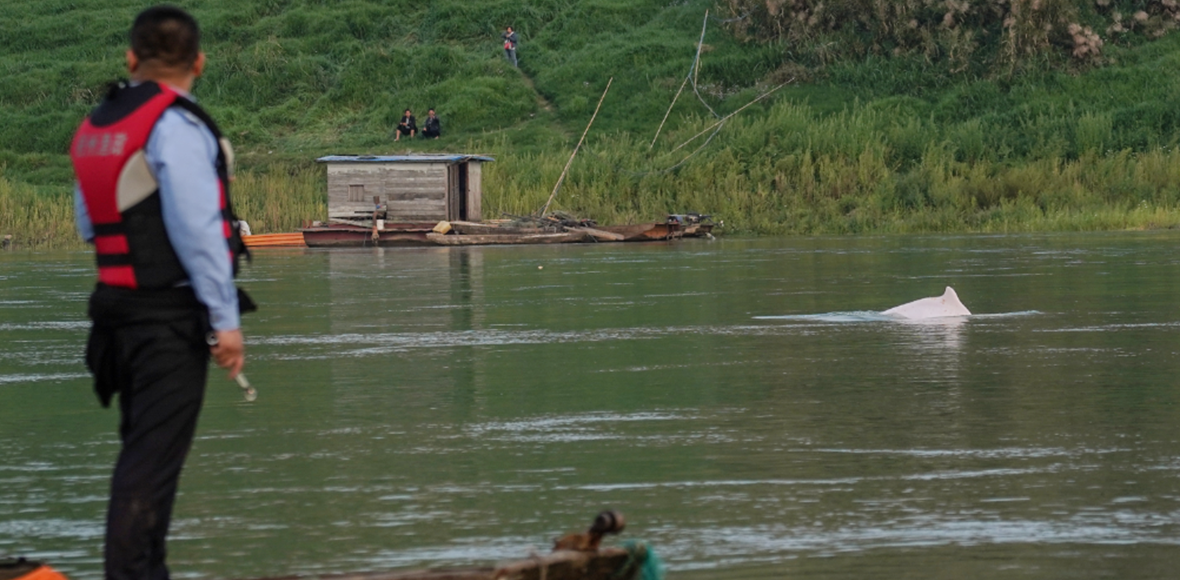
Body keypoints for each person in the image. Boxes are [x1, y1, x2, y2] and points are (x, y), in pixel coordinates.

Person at [69, 6, 254, 580]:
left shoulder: (101, 126)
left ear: (131, 59)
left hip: (113, 313)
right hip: (167, 319)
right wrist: (226, 324)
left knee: (140, 453)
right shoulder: (176, 125)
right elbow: (200, 234)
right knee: (150, 467)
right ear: (197, 62)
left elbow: (86, 223)